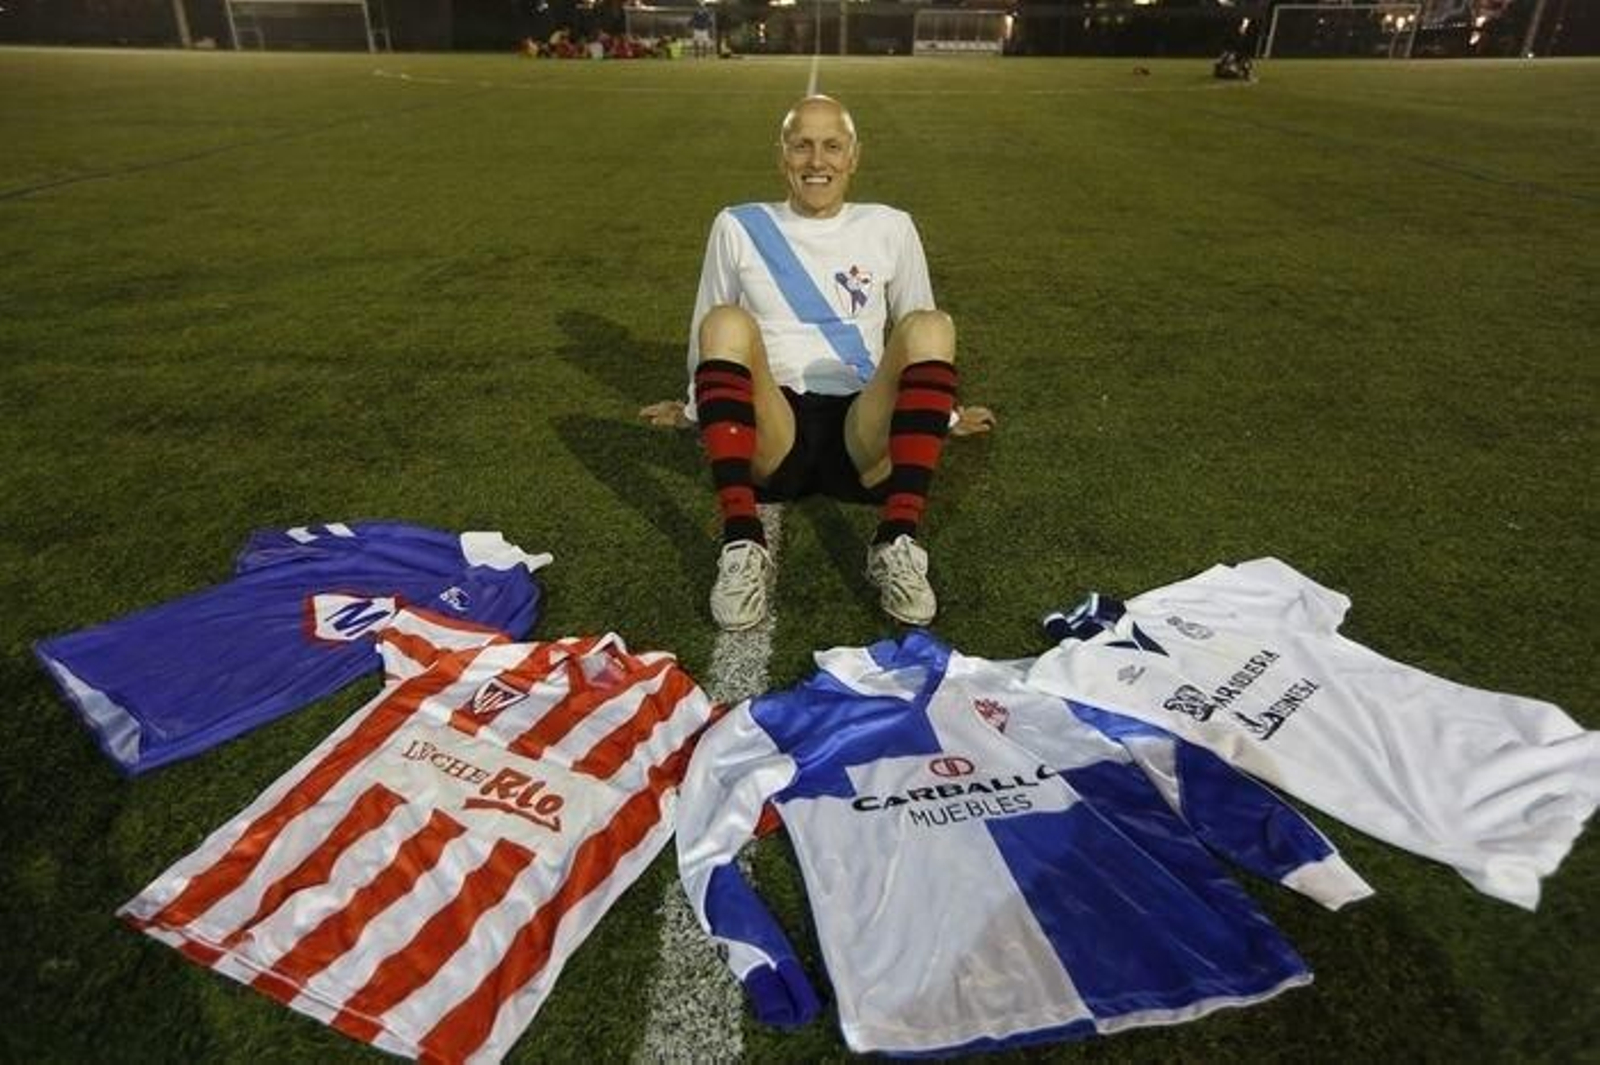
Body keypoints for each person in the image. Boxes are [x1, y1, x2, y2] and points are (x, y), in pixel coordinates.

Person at [639, 95, 995, 631]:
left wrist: (942, 415)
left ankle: (896, 540)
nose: (816, 161)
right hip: (772, 434)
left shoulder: (890, 226)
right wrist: (695, 407)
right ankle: (741, 540)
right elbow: (703, 336)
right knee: (723, 322)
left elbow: (917, 331)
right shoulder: (738, 225)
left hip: (863, 437)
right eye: (802, 145)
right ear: (782, 154)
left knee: (932, 323)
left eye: (832, 146)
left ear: (855, 156)